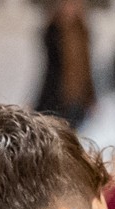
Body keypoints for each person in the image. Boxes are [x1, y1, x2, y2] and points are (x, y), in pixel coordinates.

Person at [34, 0, 94, 130]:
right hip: (57, 94)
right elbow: (51, 70)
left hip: (77, 96)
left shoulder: (82, 33)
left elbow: (86, 69)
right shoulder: (53, 32)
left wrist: (91, 97)